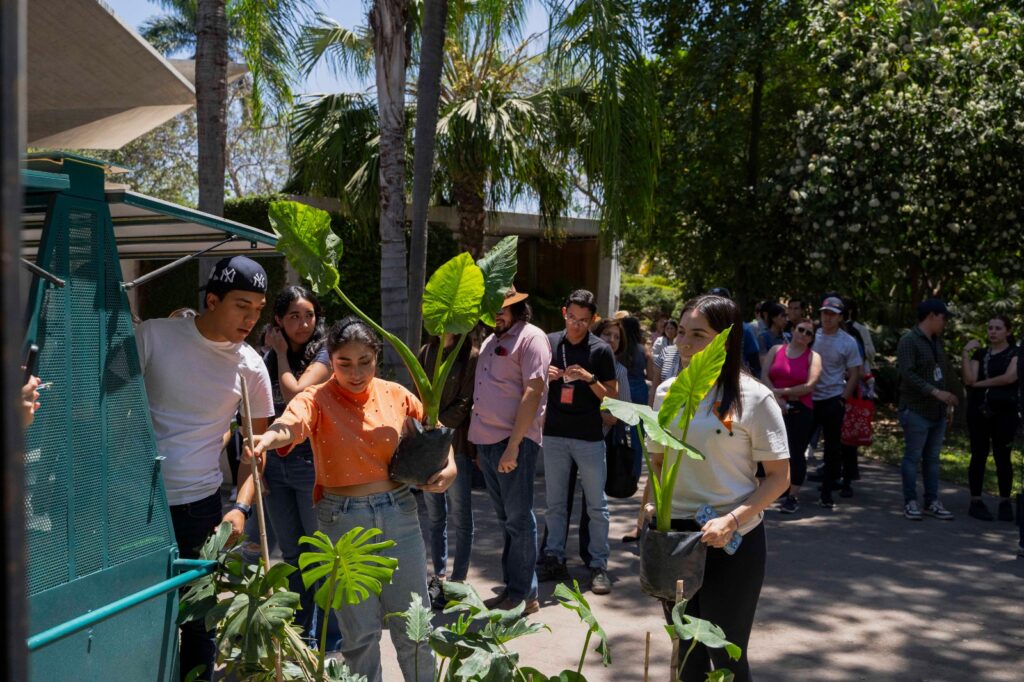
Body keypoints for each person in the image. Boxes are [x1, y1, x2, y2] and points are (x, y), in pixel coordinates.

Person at [251, 317, 456, 682]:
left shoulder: (396, 394)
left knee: (414, 627)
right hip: (342, 520)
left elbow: (435, 434)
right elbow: (292, 423)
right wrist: (267, 440)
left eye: (365, 361)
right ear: (331, 360)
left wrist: (450, 468)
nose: (356, 372)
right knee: (359, 635)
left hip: (400, 514)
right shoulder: (316, 398)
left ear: (377, 358)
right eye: (344, 363)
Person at [136, 255, 275, 682]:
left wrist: (241, 507)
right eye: (240, 305)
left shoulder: (251, 366)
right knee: (139, 613)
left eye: (258, 308)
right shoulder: (154, 336)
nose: (251, 318)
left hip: (200, 507)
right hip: (136, 503)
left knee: (199, 621)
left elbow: (256, 449)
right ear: (211, 300)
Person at [648, 294, 790, 682]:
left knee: (725, 656)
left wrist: (731, 520)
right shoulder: (668, 392)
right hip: (675, 540)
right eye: (680, 332)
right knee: (686, 654)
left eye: (698, 334)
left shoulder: (755, 398)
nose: (684, 343)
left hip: (732, 542)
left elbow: (779, 477)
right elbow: (657, 464)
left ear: (724, 341)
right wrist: (646, 516)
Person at [260, 285, 341, 647]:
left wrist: (278, 353)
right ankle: (301, 636)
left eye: (309, 314)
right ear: (278, 320)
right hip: (276, 464)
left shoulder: (324, 353)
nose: (303, 322)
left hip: (311, 461)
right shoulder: (265, 358)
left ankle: (331, 638)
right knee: (291, 555)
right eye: (293, 315)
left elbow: (296, 394)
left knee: (320, 554)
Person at [468, 287, 550, 614]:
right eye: (491, 310)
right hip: (487, 443)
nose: (496, 316)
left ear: (518, 308)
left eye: (502, 309)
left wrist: (513, 447)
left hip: (513, 443)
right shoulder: (490, 341)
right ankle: (514, 590)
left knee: (518, 520)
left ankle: (525, 595)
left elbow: (533, 391)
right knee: (507, 521)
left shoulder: (532, 338)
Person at [538, 290, 617, 595]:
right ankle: (554, 557)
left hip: (588, 436)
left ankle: (598, 564)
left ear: (592, 319)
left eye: (584, 320)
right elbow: (531, 380)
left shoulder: (600, 350)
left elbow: (612, 396)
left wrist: (589, 378)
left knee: (597, 505)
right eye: (572, 318)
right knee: (555, 505)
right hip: (556, 433)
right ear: (564, 313)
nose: (576, 325)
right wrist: (546, 375)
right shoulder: (550, 342)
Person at [418, 332, 479, 608]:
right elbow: (415, 395)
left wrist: (437, 423)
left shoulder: (471, 356)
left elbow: (466, 402)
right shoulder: (426, 352)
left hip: (458, 444)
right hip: (429, 446)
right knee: (434, 515)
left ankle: (459, 579)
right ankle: (439, 576)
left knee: (461, 514)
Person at [896, 299, 958, 521]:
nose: (945, 322)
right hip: (915, 410)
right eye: (944, 317)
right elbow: (907, 374)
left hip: (937, 412)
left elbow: (943, 372)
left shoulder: (935, 341)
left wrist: (950, 399)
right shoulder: (909, 340)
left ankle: (932, 501)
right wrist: (934, 392)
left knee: (932, 459)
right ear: (932, 316)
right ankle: (910, 501)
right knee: (913, 457)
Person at [961, 315, 1019, 521]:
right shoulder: (981, 353)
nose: (993, 332)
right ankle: (975, 500)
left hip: (1005, 412)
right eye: (990, 328)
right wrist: (966, 353)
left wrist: (980, 384)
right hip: (979, 411)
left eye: (998, 328)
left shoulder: (1016, 353)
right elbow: (969, 378)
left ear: (1008, 331)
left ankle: (1004, 501)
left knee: (1003, 456)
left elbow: (1010, 377)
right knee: (978, 454)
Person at [762, 318, 822, 513]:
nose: (804, 335)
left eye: (809, 333)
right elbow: (764, 376)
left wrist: (781, 392)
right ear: (793, 330)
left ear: (812, 338)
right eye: (801, 330)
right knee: (773, 450)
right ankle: (777, 488)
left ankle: (793, 495)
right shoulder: (776, 350)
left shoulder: (814, 357)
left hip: (799, 409)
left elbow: (809, 385)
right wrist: (776, 398)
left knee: (796, 453)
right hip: (773, 406)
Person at [810, 296, 862, 508]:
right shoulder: (811, 334)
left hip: (833, 399)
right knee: (797, 444)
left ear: (840, 317)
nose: (827, 318)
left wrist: (842, 399)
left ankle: (827, 492)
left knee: (832, 448)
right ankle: (789, 489)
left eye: (832, 314)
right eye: (824, 313)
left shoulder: (848, 342)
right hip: (808, 398)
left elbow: (855, 373)